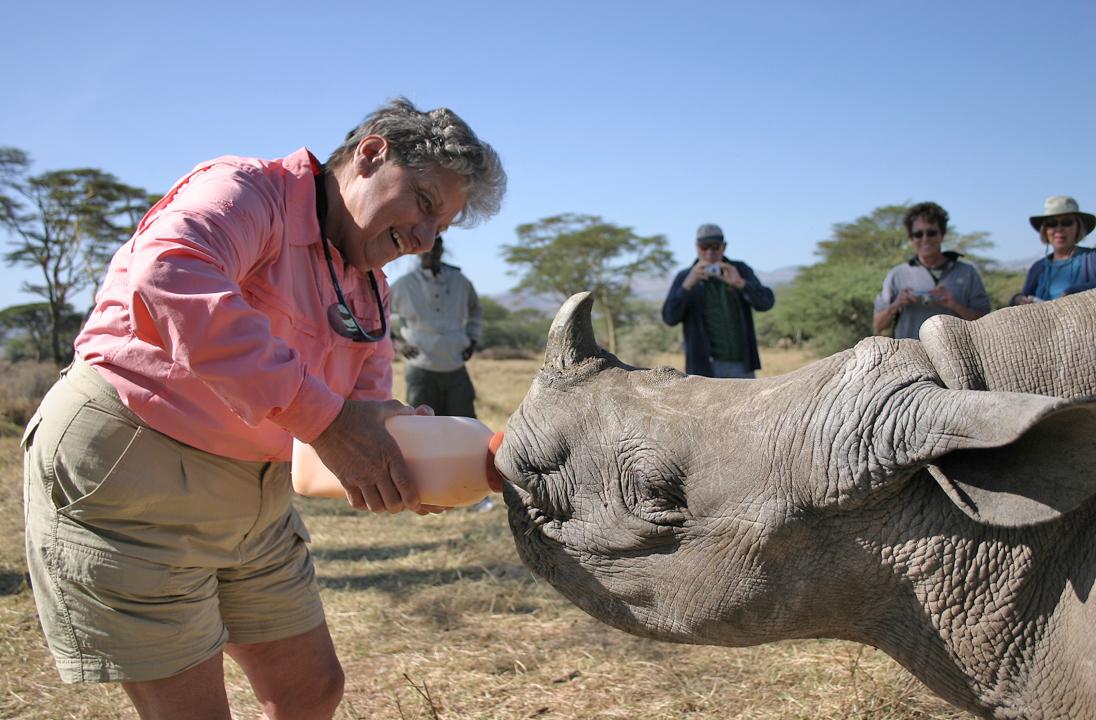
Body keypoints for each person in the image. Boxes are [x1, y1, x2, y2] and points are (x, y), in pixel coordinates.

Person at [21, 97, 505, 720]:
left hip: (256, 497)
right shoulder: (248, 193)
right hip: (131, 465)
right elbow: (170, 276)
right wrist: (328, 421)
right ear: (372, 152)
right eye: (425, 204)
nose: (423, 238)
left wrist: (419, 472)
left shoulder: (369, 290)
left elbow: (354, 425)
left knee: (309, 690)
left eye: (441, 229)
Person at [661, 223, 774, 378]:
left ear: (724, 247)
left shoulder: (739, 270)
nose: (709, 252)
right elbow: (669, 318)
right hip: (703, 368)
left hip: (742, 366)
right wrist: (687, 285)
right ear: (696, 246)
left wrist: (741, 284)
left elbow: (766, 303)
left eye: (715, 246)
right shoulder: (685, 277)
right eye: (704, 247)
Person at [389, 235, 482, 418]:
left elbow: (476, 310)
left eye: (435, 246)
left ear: (441, 248)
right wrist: (396, 343)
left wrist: (473, 338)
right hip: (420, 366)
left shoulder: (460, 282)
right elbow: (378, 317)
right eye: (426, 247)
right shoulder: (403, 285)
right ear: (418, 250)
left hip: (454, 365)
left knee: (464, 423)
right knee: (422, 426)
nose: (431, 252)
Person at [872, 201, 990, 340]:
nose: (925, 239)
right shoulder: (897, 275)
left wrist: (955, 305)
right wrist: (897, 304)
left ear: (942, 234)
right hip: (909, 357)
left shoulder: (967, 272)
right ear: (911, 238)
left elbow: (985, 324)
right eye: (918, 234)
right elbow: (878, 326)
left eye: (931, 233)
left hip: (957, 356)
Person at [1011, 195, 1096, 305]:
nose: (1059, 229)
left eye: (1066, 222)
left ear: (1078, 227)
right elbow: (1023, 298)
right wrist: (1017, 299)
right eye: (1052, 224)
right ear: (1045, 230)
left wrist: (1076, 292)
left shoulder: (1091, 259)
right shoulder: (1037, 268)